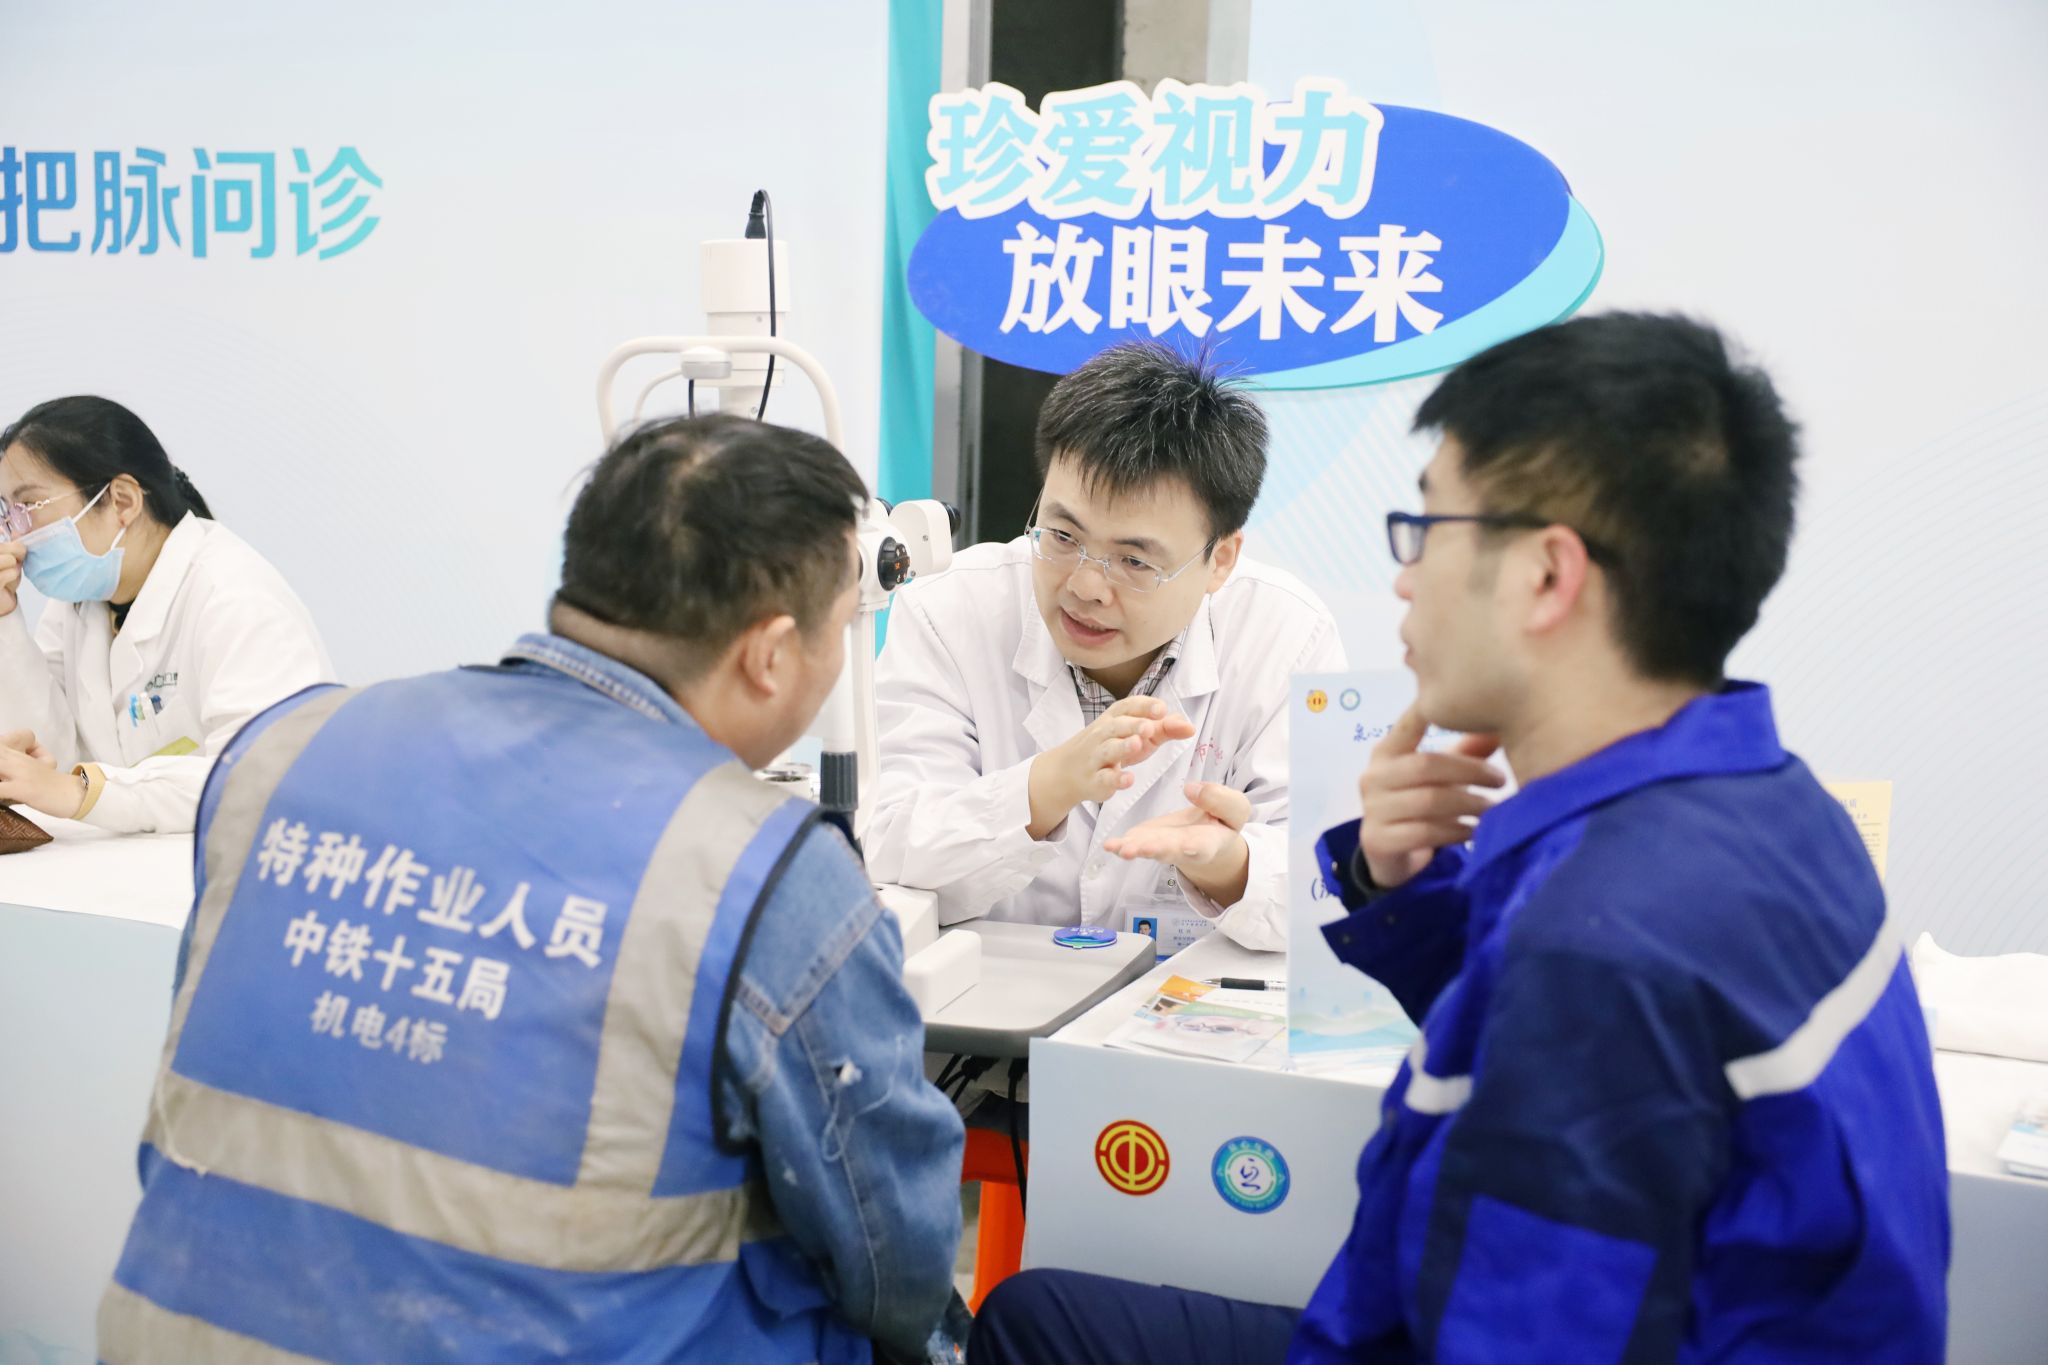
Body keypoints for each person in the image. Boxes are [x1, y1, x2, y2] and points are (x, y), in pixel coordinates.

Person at [970, 313, 1949, 1363]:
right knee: (1042, 1316)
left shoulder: (1602, 946)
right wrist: (1403, 890)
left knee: (1035, 1327)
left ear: (1546, 576)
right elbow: (1552, 1059)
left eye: (1426, 529)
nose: (1403, 578)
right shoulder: (1762, 803)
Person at [98, 414, 966, 1363]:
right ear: (770, 652)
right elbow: (899, 1256)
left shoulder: (282, 751)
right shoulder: (766, 872)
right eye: (842, 625)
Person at [867, 342, 1344, 952]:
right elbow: (888, 848)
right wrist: (1046, 787)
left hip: (1187, 1008)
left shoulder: (1286, 637)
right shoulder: (949, 610)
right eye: (1063, 535)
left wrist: (1229, 865)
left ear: (1220, 559)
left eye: (1135, 561)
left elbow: (1332, 885)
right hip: (985, 1003)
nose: (1085, 586)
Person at [0, 396, 333, 832]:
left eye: (29, 508)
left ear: (122, 501)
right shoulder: (79, 602)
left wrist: (86, 793)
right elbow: (44, 756)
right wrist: (5, 621)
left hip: (240, 856)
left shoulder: (234, 595)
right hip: (133, 862)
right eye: (8, 513)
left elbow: (261, 778)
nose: (15, 537)